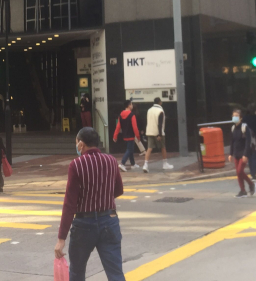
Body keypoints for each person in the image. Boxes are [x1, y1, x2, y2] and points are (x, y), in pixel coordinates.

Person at [55, 127, 126, 281]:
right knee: (115, 272)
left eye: (76, 142)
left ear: (81, 144)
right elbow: (119, 189)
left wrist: (61, 238)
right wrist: (103, 197)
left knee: (77, 272)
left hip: (83, 224)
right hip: (109, 221)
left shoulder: (76, 165)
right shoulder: (111, 161)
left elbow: (69, 203)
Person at [229, 109, 256, 198]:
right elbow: (232, 142)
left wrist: (245, 154)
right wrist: (230, 153)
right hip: (236, 153)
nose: (234, 117)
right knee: (238, 172)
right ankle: (242, 190)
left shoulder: (245, 127)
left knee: (240, 171)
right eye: (233, 116)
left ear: (241, 118)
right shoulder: (233, 128)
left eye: (236, 116)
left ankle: (251, 184)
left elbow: (248, 142)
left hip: (244, 153)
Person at [143, 98, 173, 172]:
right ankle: (165, 164)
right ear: (160, 102)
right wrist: (159, 134)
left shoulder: (149, 110)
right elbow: (160, 124)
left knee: (149, 148)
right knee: (163, 147)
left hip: (149, 131)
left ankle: (145, 165)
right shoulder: (160, 111)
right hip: (158, 133)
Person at [113, 100, 141, 172]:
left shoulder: (121, 115)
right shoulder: (132, 115)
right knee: (129, 150)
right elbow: (135, 127)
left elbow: (118, 127)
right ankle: (122, 163)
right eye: (131, 104)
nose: (132, 105)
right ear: (129, 106)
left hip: (125, 136)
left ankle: (133, 164)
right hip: (131, 135)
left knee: (130, 149)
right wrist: (138, 136)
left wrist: (115, 136)